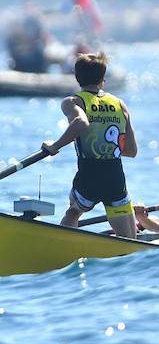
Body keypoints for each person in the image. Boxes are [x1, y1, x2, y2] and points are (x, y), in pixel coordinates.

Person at [41, 53, 137, 238]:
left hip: (90, 174)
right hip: (115, 177)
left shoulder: (73, 101)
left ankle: (63, 247)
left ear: (76, 77)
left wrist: (56, 145)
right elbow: (131, 151)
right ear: (103, 78)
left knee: (73, 212)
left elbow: (81, 123)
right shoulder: (120, 104)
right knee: (130, 241)